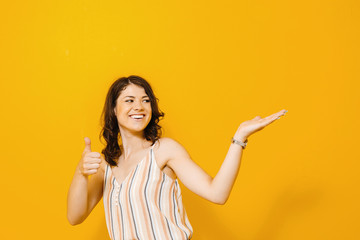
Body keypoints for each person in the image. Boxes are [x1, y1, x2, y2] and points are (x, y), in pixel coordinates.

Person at [67, 75, 288, 240]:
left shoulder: (164, 150)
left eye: (145, 100)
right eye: (129, 100)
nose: (139, 107)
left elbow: (217, 193)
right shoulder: (107, 165)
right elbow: (75, 217)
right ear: (114, 110)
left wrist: (239, 137)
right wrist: (80, 172)